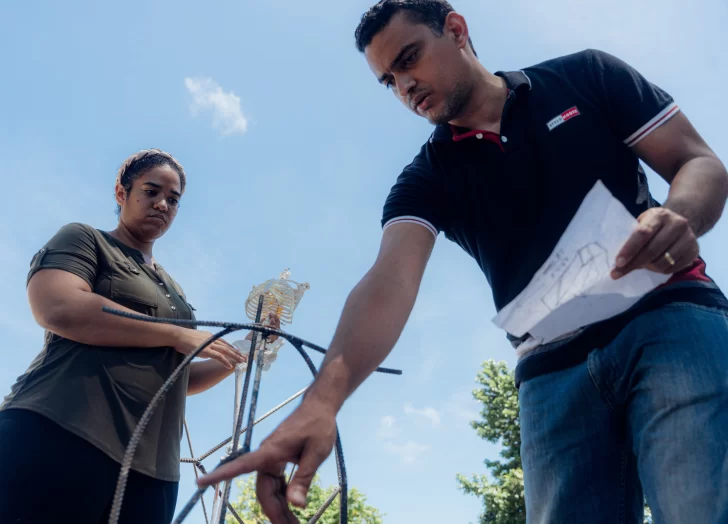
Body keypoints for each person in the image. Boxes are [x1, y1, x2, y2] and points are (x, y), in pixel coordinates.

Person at [199, 1, 728, 522]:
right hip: (551, 376)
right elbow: (389, 281)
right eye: (388, 80)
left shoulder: (586, 76)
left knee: (701, 506)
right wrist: (322, 402)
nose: (404, 87)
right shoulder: (425, 180)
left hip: (667, 316)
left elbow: (698, 161)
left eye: (408, 59)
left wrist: (681, 215)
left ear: (455, 29)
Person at [0, 148, 277, 523]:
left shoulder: (175, 293)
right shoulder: (85, 239)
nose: (163, 204)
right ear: (122, 193)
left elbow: (179, 379)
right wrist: (175, 335)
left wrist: (248, 348)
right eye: (151, 191)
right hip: (59, 432)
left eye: (173, 199)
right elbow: (58, 307)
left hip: (153, 475)